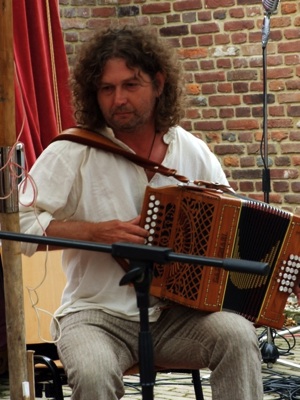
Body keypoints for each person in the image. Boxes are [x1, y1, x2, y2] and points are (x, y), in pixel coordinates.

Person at [19, 25, 264, 400]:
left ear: (159, 83)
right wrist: (94, 233)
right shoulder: (73, 151)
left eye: (131, 85)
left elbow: (237, 224)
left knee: (238, 336)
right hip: (95, 315)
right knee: (93, 372)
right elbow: (18, 223)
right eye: (107, 88)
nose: (118, 98)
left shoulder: (192, 151)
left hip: (176, 315)